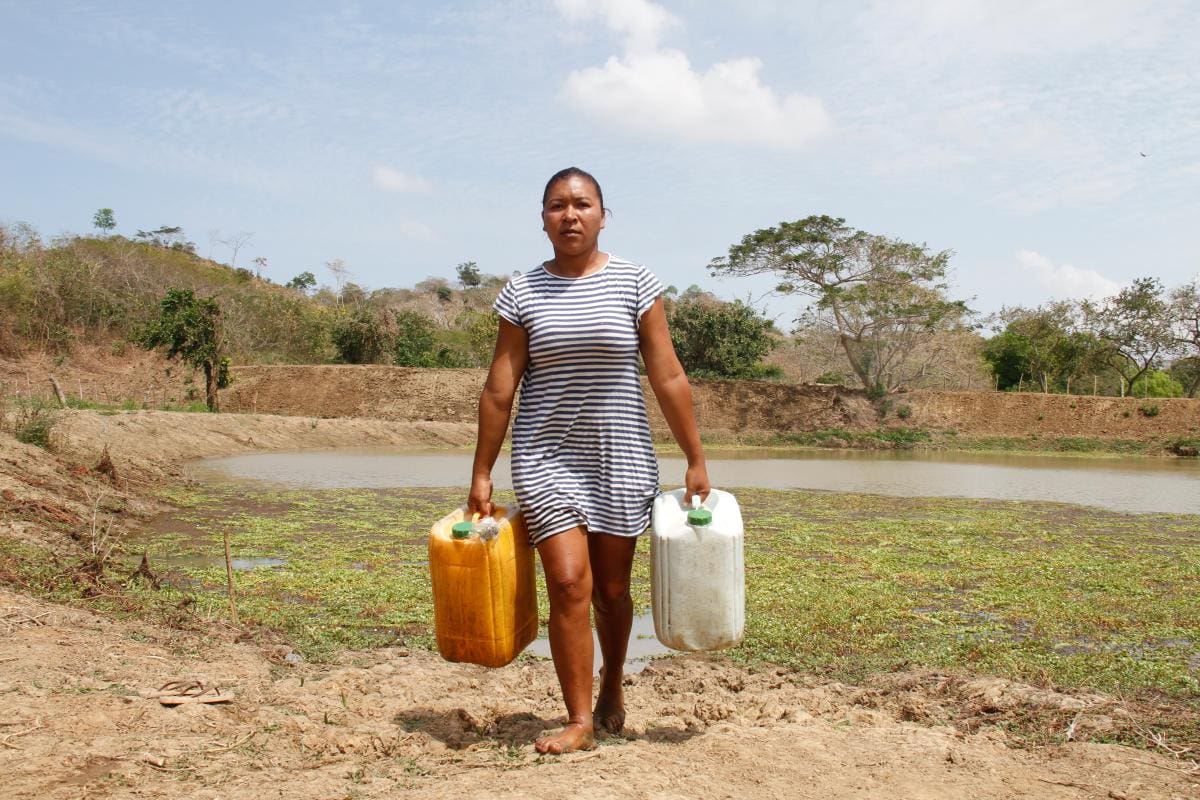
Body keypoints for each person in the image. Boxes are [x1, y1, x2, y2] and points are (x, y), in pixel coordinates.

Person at [467, 166, 710, 754]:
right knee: (569, 582)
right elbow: (501, 386)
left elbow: (668, 373)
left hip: (621, 454)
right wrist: (482, 471)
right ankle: (577, 720)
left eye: (581, 204)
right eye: (556, 206)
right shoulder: (522, 293)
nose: (569, 215)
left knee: (612, 591)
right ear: (543, 219)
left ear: (603, 214)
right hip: (546, 455)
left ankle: (611, 689)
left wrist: (695, 458)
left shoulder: (634, 282)